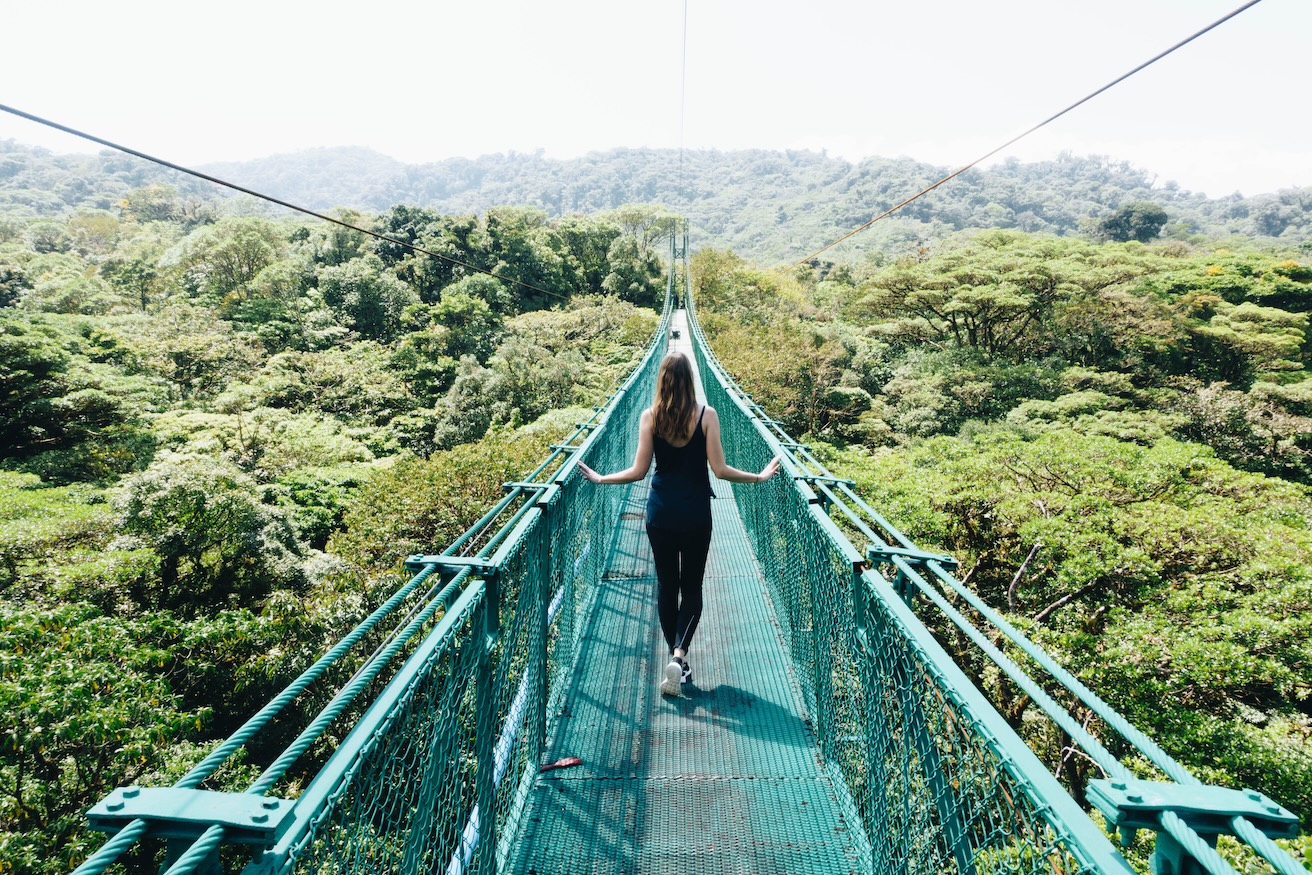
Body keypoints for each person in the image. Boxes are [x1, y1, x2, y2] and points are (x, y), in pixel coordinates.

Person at [578, 351, 780, 697]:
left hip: (659, 515)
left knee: (667, 587)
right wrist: (759, 477)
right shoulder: (706, 416)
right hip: (696, 514)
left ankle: (678, 666)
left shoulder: (649, 417)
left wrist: (601, 479)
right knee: (693, 587)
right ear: (690, 379)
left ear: (662, 380)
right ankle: (679, 655)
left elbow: (639, 471)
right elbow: (720, 470)